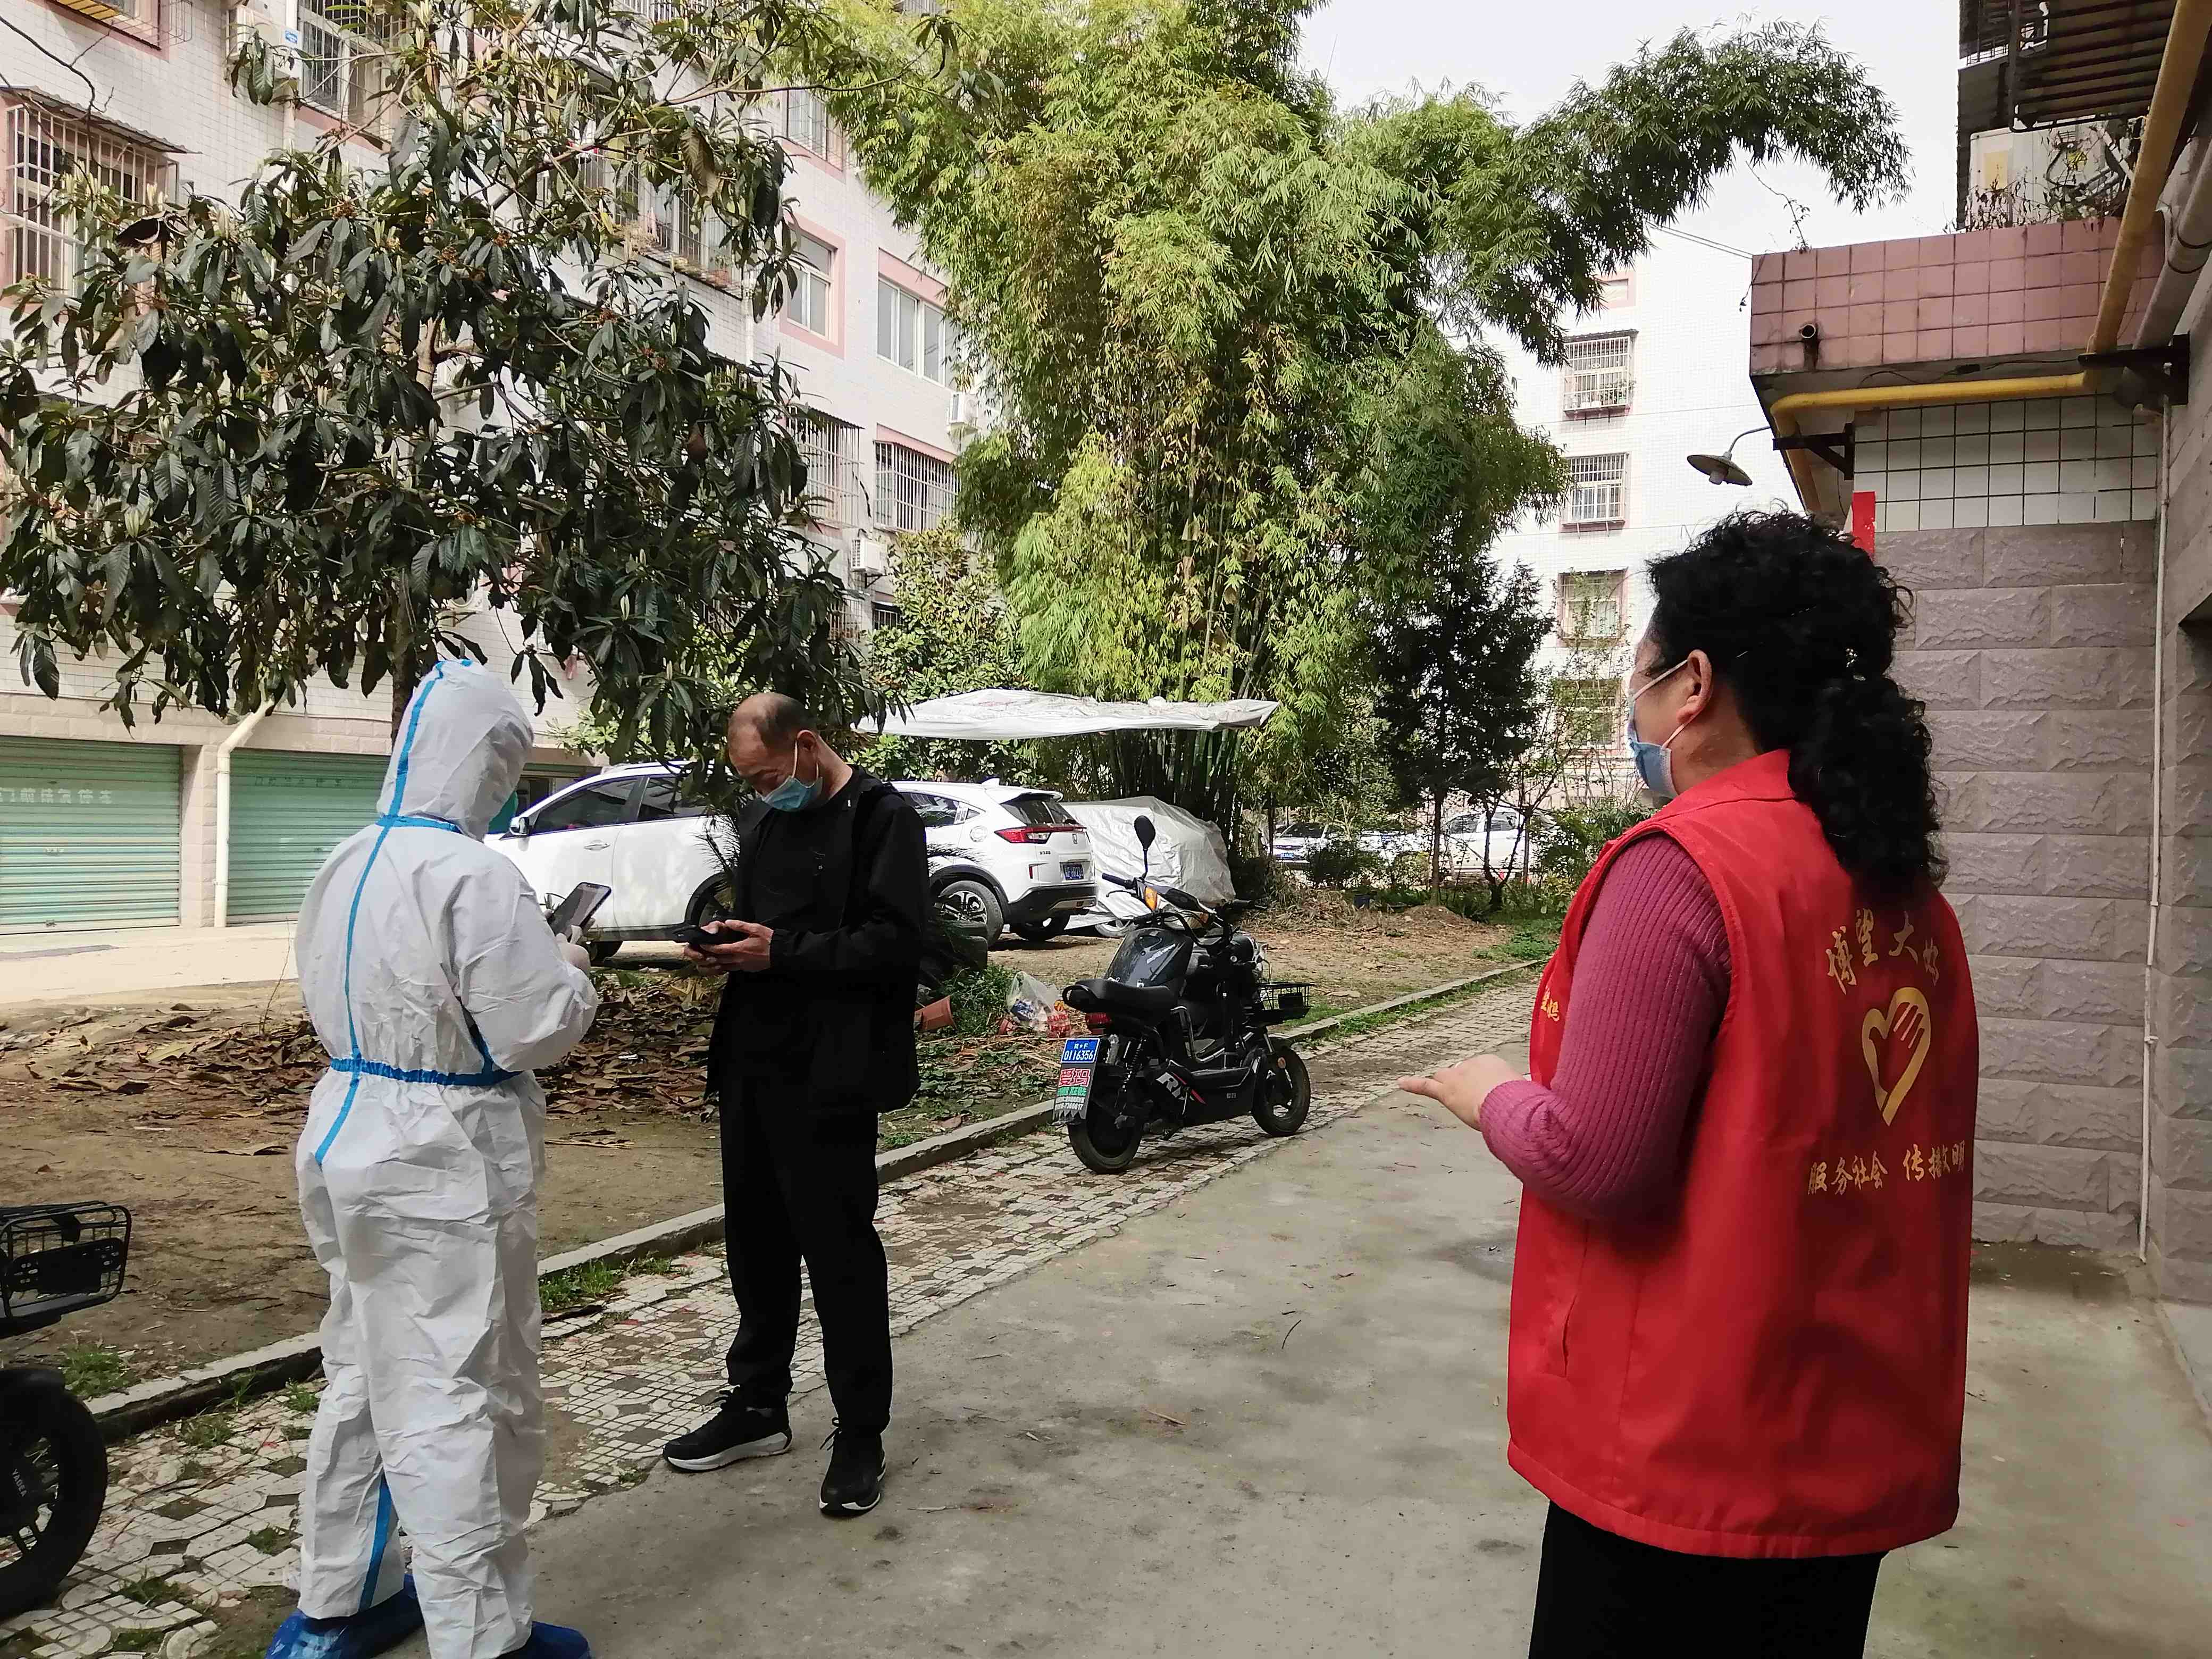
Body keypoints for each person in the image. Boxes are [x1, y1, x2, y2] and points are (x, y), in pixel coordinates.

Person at [1400, 512, 1978, 1659]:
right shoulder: (1900, 887)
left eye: (1641, 672)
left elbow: (1596, 1161)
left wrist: (1490, 1095)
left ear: (1694, 685)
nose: (1635, 705)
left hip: (1689, 1453)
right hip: (1850, 1435)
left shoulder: (1682, 869)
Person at [271, 661, 600, 1659]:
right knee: (463, 1385)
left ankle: (341, 1601)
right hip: (445, 1152)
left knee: (365, 1370)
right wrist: (571, 970)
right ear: (488, 762)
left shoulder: (346, 859)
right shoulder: (472, 874)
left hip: (348, 1127)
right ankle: (483, 1636)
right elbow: (529, 1028)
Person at [664, 693, 926, 1518]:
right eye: (751, 781)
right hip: (754, 1058)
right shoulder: (765, 822)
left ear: (807, 744)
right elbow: (764, 929)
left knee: (841, 1254)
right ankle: (758, 1404)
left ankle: (860, 1432)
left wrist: (782, 952)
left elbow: (896, 945)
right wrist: (728, 948)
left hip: (833, 1069)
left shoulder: (883, 819)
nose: (762, 791)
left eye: (768, 774)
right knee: (756, 1244)